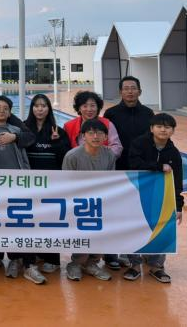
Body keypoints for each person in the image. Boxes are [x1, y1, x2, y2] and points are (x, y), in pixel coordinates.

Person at [63, 90, 123, 271]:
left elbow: (116, 147)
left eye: (93, 105)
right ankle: (77, 262)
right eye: (85, 105)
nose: (89, 109)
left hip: (100, 178)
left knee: (100, 222)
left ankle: (94, 261)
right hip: (79, 182)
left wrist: (99, 155)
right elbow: (66, 152)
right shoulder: (69, 127)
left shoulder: (107, 126)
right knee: (81, 224)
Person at [123, 113, 184, 284]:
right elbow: (133, 164)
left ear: (172, 131)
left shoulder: (174, 153)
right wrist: (158, 166)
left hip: (161, 196)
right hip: (137, 193)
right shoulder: (139, 144)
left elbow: (177, 181)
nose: (163, 130)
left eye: (167, 127)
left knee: (162, 227)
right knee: (135, 227)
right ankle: (134, 264)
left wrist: (178, 206)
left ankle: (157, 266)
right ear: (151, 129)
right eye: (159, 126)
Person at [21, 93, 71, 284]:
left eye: (43, 105)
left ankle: (52, 258)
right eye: (36, 105)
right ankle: (31, 258)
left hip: (51, 184)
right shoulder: (24, 129)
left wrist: (56, 142)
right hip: (28, 184)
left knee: (50, 220)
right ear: (32, 108)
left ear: (49, 108)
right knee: (29, 220)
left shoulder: (58, 130)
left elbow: (66, 158)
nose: (40, 109)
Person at [0, 95, 30, 279]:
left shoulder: (16, 131)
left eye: (5, 108)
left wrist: (26, 176)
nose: (1, 110)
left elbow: (23, 156)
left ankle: (15, 258)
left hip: (14, 185)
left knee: (13, 220)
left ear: (10, 113)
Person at [62, 119, 116, 282]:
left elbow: (111, 179)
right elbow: (65, 183)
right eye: (91, 133)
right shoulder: (72, 156)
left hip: (100, 201)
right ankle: (76, 263)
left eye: (100, 133)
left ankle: (92, 263)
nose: (95, 136)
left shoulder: (109, 155)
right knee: (82, 233)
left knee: (100, 232)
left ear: (105, 136)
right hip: (78, 202)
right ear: (83, 136)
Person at [103, 76, 154, 171]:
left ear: (140, 92)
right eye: (126, 89)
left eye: (133, 88)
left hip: (143, 161)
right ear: (120, 92)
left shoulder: (148, 113)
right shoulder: (110, 113)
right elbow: (105, 138)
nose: (130, 92)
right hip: (119, 162)